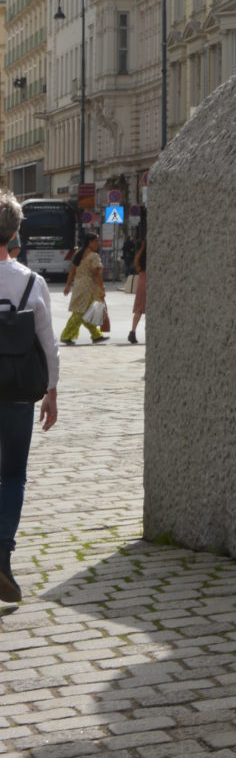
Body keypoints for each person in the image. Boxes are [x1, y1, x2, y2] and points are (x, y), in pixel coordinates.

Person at [0, 190, 59, 604]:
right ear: (15, 233)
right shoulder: (32, 282)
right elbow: (49, 345)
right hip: (20, 391)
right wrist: (51, 391)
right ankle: (2, 557)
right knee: (13, 475)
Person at [61, 232, 106, 345]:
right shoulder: (93, 256)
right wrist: (101, 287)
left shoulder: (78, 253)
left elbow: (72, 271)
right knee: (80, 313)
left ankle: (96, 335)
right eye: (96, 241)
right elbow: (96, 274)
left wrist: (68, 285)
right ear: (90, 242)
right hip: (89, 287)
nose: (98, 243)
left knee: (86, 311)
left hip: (78, 285)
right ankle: (66, 336)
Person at [129, 241, 146, 345]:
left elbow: (136, 264)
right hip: (149, 281)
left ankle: (133, 331)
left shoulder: (140, 255)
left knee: (139, 310)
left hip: (142, 281)